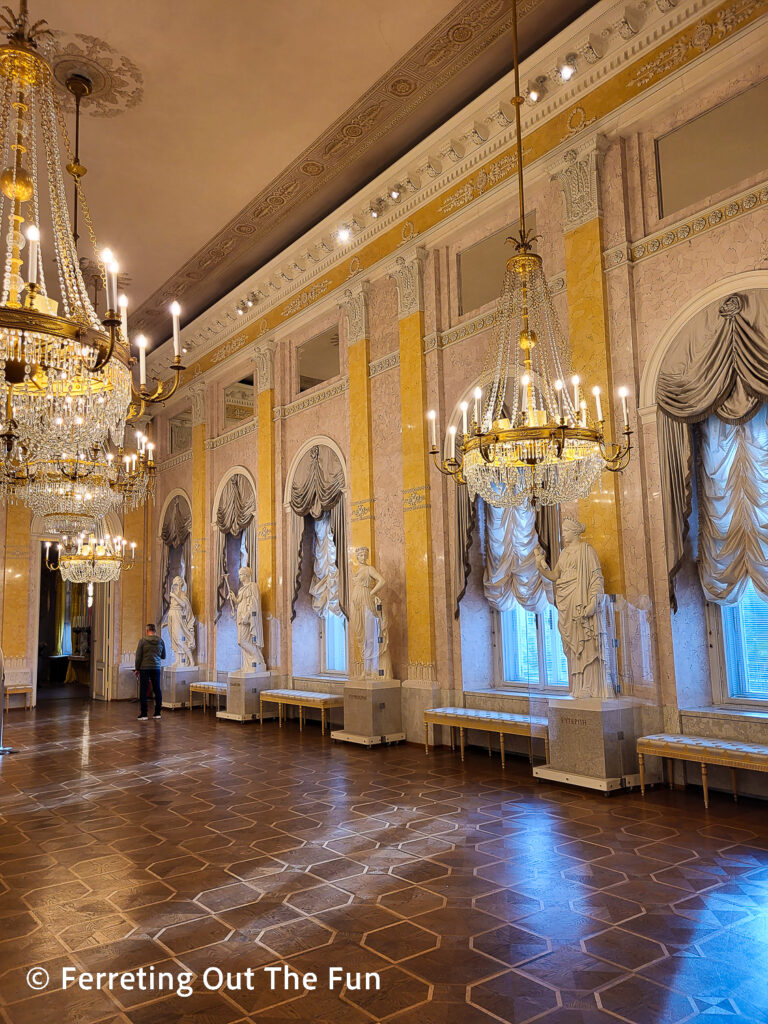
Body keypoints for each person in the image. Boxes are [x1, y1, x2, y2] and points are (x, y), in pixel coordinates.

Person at [534, 517, 610, 699]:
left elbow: (596, 578)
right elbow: (554, 576)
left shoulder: (587, 551)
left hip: (581, 600)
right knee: (573, 645)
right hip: (566, 602)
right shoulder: (564, 553)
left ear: (575, 532)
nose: (563, 534)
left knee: (586, 642)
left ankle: (591, 687)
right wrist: (540, 563)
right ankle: (578, 686)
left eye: (566, 531)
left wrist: (593, 602)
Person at [349, 546, 393, 679]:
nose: (362, 557)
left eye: (364, 555)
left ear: (367, 556)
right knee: (361, 637)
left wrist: (372, 593)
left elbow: (382, 581)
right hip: (356, 603)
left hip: (366, 601)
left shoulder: (369, 569)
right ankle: (365, 670)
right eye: (360, 555)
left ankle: (372, 670)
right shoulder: (357, 570)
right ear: (357, 557)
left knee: (369, 636)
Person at [135, 623, 166, 720]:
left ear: (147, 631)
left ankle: (144, 714)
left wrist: (137, 668)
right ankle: (157, 713)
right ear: (155, 631)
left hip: (144, 668)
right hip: (156, 667)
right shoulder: (160, 641)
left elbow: (138, 656)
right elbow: (163, 656)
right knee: (157, 689)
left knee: (143, 690)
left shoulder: (143, 641)